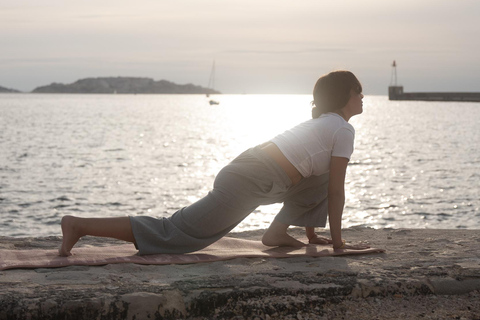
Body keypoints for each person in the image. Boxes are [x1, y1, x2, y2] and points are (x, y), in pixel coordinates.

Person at [59, 70, 369, 257]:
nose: (363, 96)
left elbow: (322, 184)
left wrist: (313, 235)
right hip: (251, 179)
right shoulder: (342, 129)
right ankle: (79, 225)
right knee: (174, 234)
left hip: (260, 173)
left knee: (320, 175)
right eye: (359, 91)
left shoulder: (327, 125)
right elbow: (336, 191)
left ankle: (277, 232)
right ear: (345, 96)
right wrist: (339, 245)